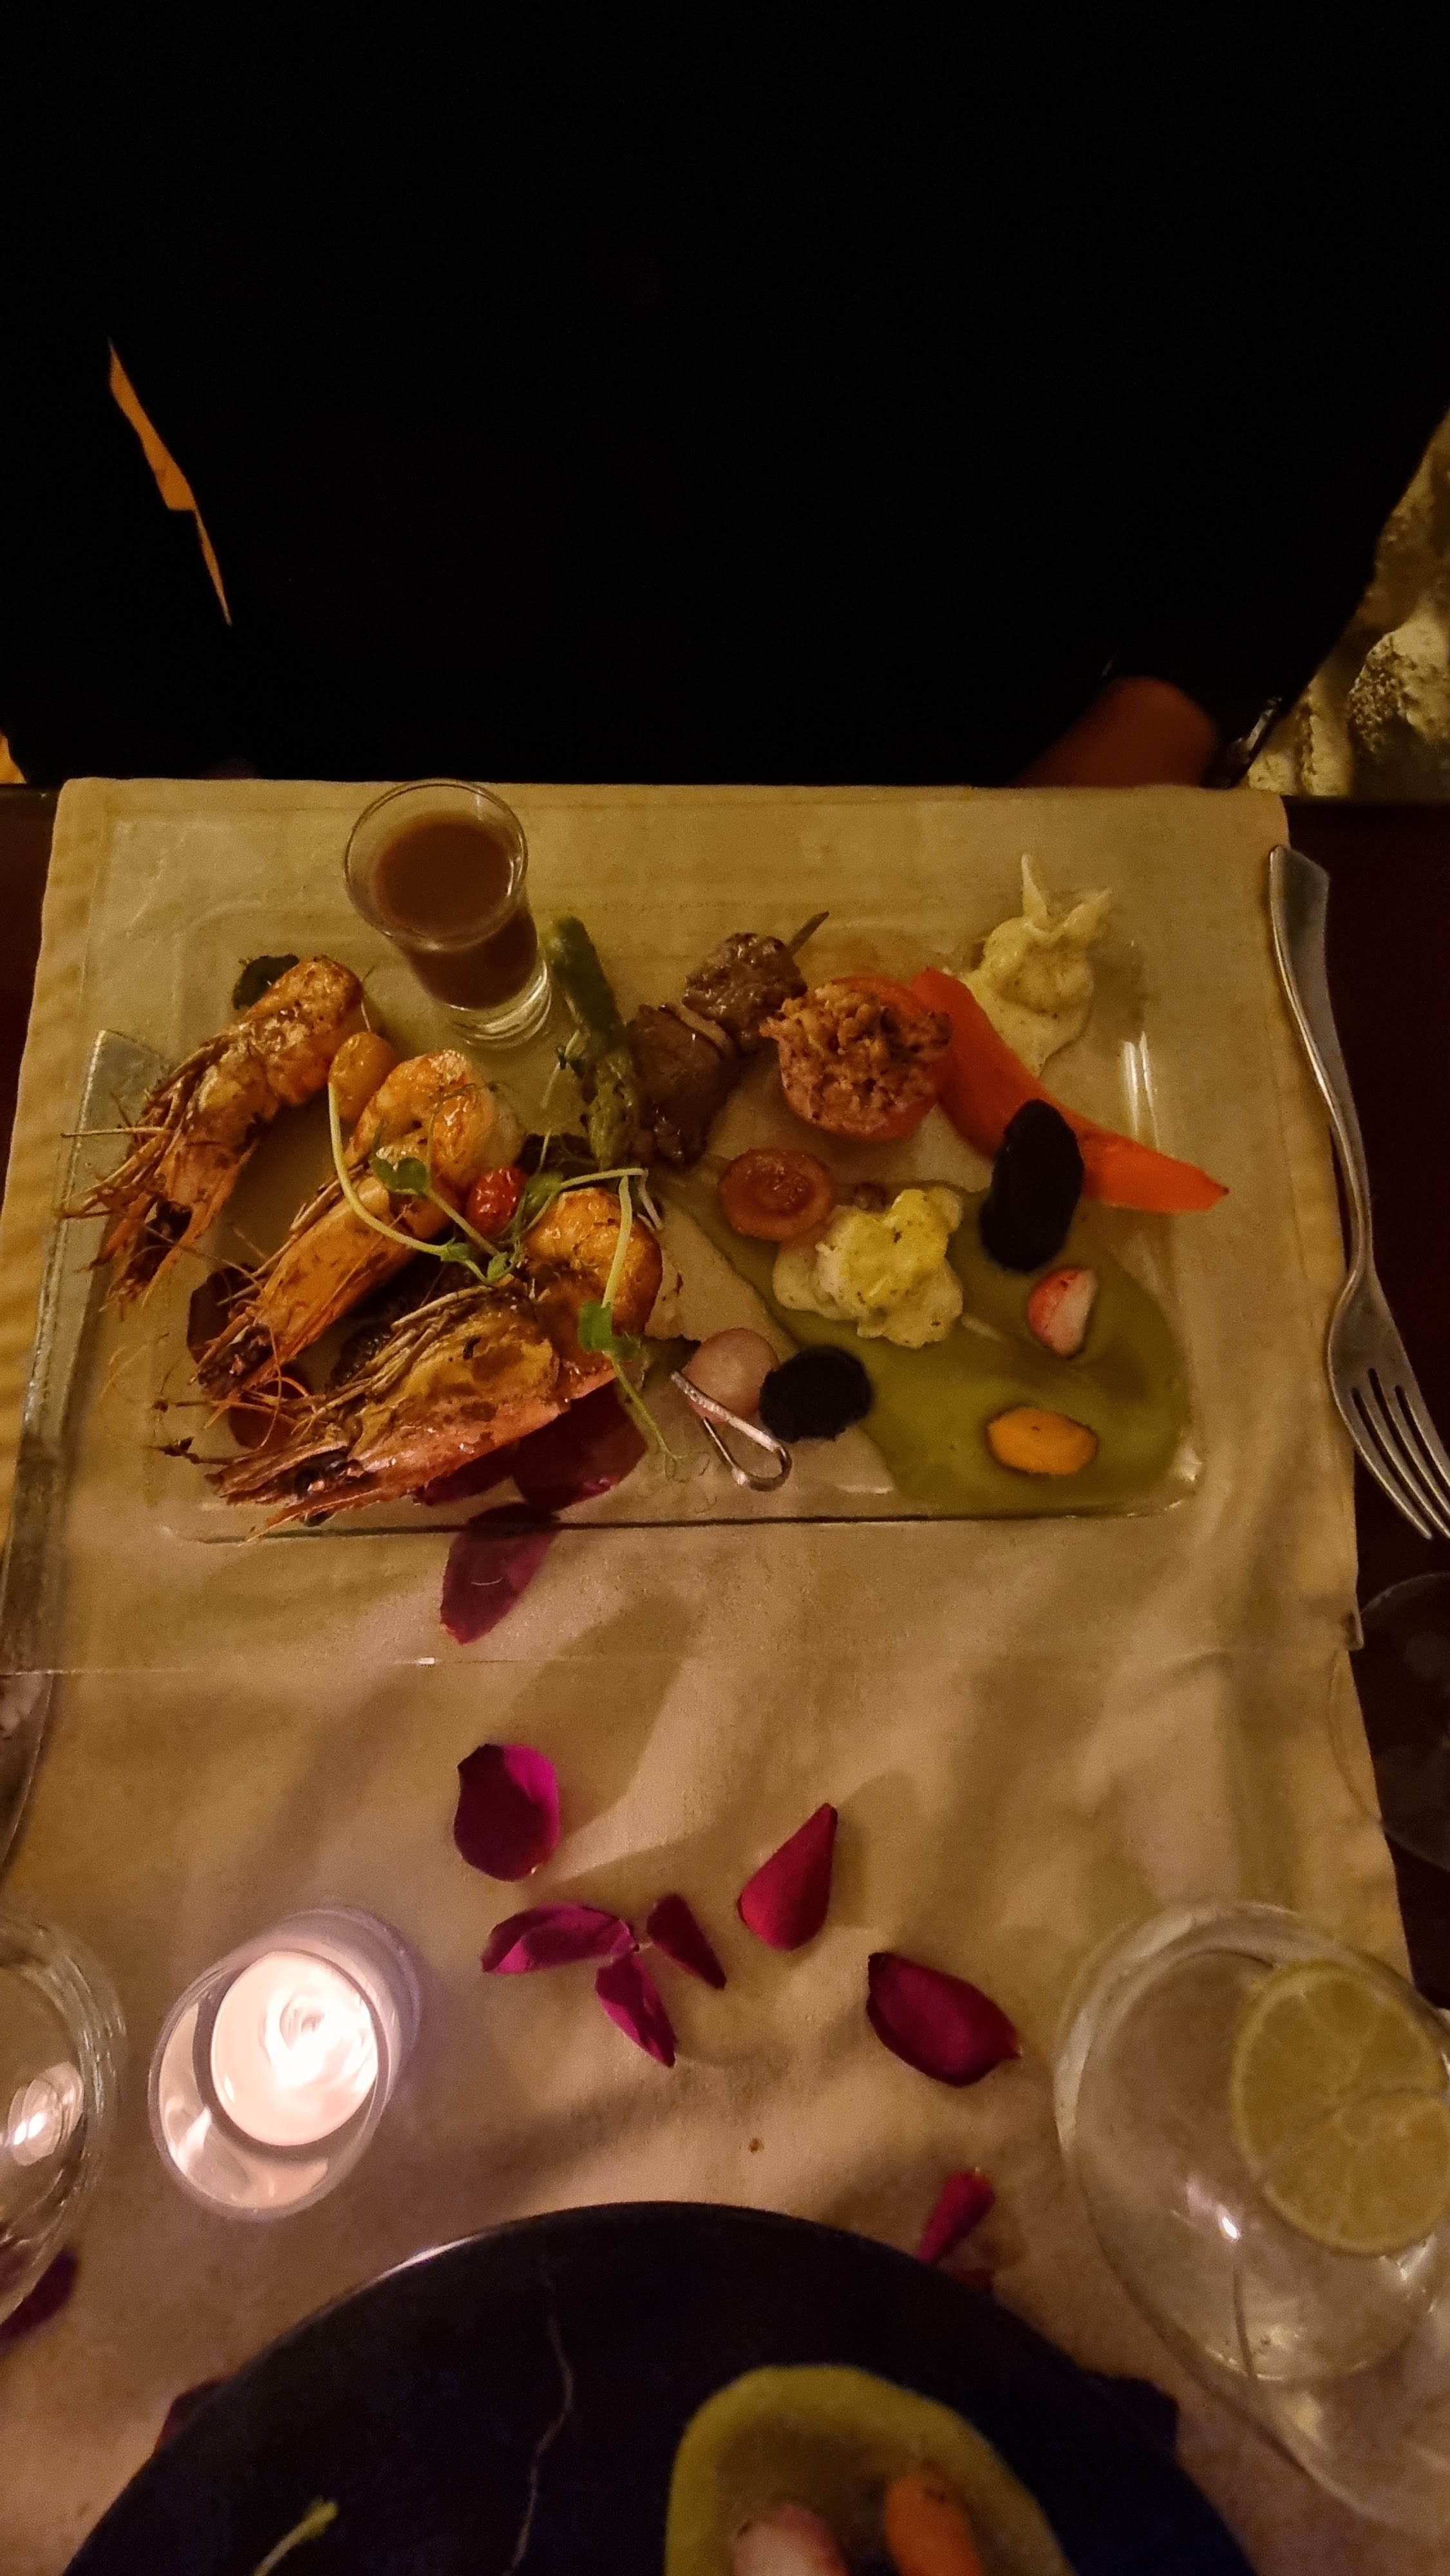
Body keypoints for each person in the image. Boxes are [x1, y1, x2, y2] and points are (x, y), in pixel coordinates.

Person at [5, 33, 1448, 795]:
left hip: (1011, 729)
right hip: (357, 752)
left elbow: (1378, 223)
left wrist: (1188, 680)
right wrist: (168, 770)